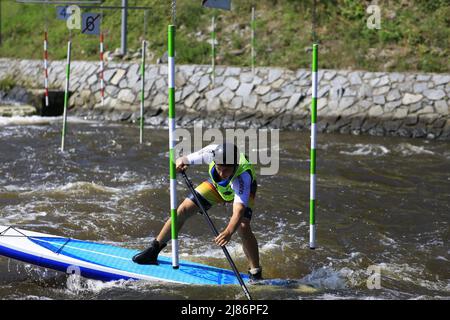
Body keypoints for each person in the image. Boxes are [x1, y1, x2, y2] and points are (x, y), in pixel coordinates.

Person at [132, 142, 263, 280]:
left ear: (234, 165)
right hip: (216, 187)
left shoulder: (243, 178)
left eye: (226, 170)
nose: (222, 173)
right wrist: (181, 163)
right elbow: (183, 160)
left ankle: (255, 272)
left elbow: (238, 211)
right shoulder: (211, 152)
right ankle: (153, 250)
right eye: (219, 169)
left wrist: (228, 232)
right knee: (182, 210)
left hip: (244, 191)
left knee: (243, 226)